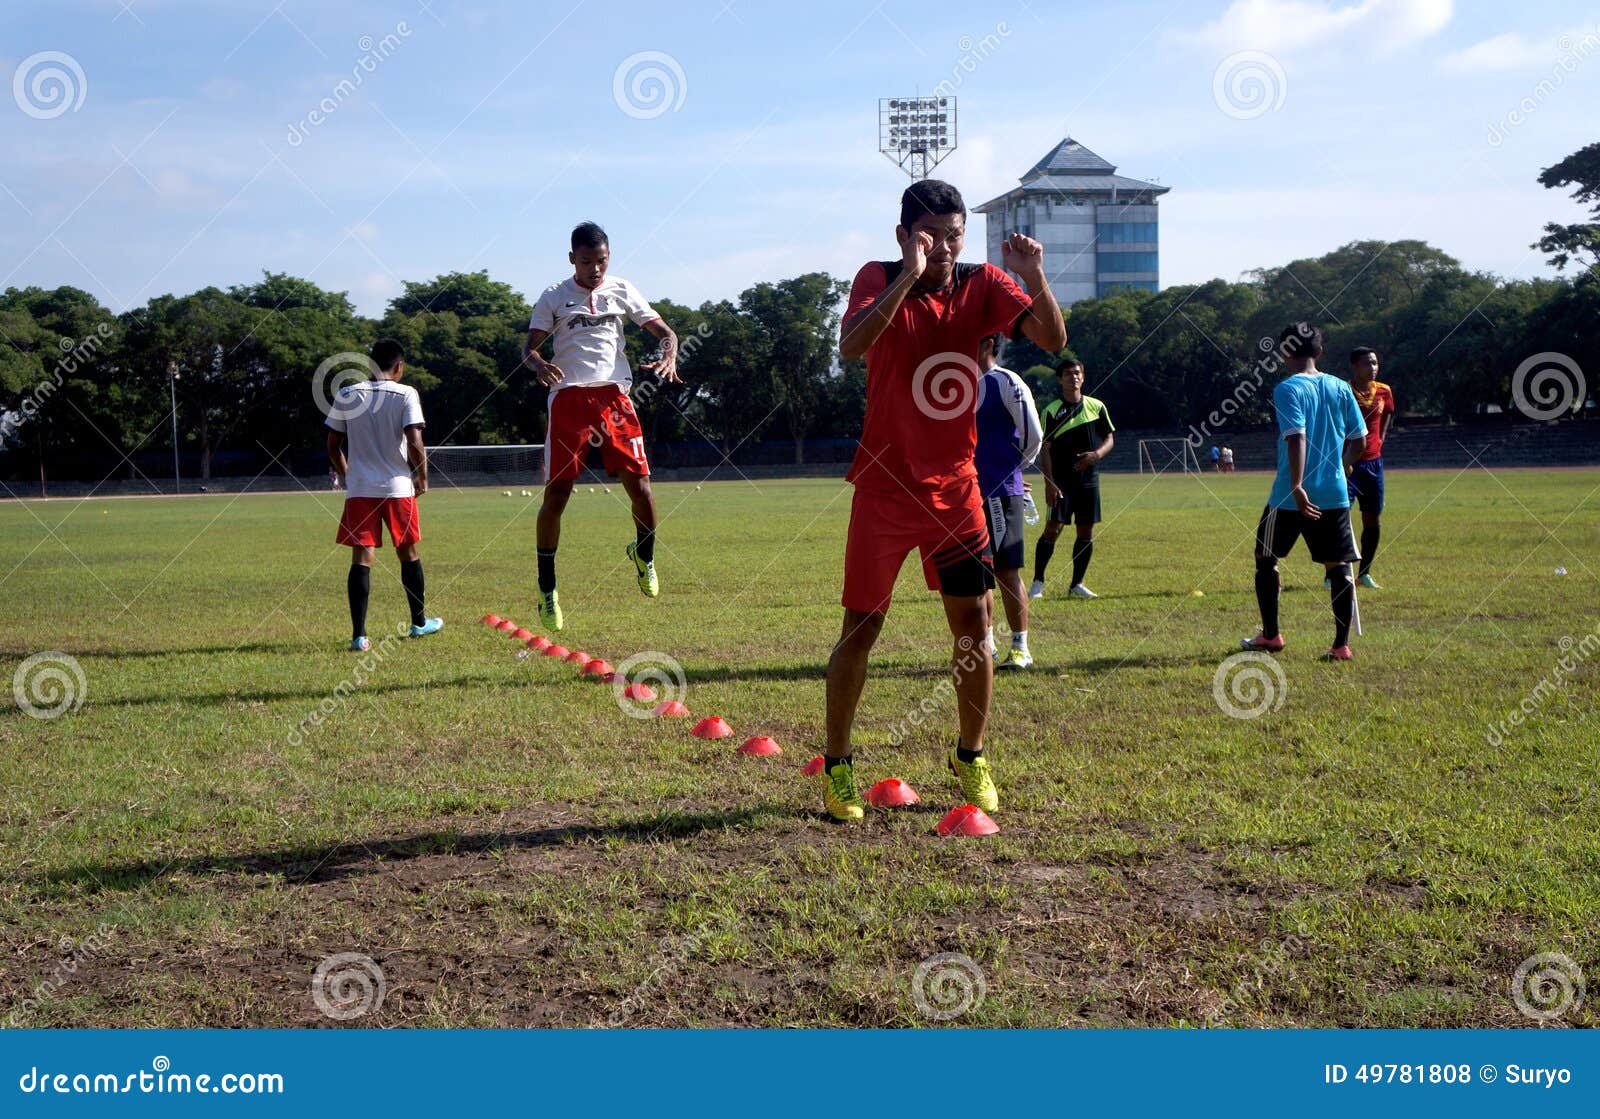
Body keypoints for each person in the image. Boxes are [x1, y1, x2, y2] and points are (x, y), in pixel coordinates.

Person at [822, 178, 1066, 821]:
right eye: (932, 236)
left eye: (955, 235)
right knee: (862, 627)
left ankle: (971, 754)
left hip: (956, 490)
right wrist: (909, 274)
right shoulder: (876, 277)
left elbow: (1051, 340)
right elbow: (851, 346)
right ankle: (839, 766)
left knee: (974, 628)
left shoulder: (983, 283)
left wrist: (1034, 275)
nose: (947, 248)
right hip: (883, 487)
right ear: (904, 234)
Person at [523, 222, 679, 631]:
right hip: (569, 398)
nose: (595, 269)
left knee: (641, 487)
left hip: (615, 398)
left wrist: (670, 354)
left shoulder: (622, 290)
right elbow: (529, 348)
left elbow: (665, 332)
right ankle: (547, 587)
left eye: (602, 261)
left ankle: (644, 556)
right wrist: (539, 364)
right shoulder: (554, 296)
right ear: (572, 257)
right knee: (557, 494)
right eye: (588, 261)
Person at [1242, 323, 1368, 661]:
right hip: (1334, 492)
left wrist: (1297, 484)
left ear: (1284, 353)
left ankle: (1271, 635)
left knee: (1265, 557)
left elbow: (1295, 436)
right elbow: (1360, 441)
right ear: (1320, 352)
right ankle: (1341, 646)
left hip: (1288, 494)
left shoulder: (1287, 389)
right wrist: (1341, 465)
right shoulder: (1341, 387)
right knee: (1338, 564)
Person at [325, 339, 442, 651]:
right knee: (408, 552)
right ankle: (419, 623)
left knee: (362, 557)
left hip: (361, 489)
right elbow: (414, 440)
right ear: (399, 367)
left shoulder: (347, 394)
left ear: (369, 366)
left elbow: (332, 445)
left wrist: (349, 473)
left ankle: (359, 636)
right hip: (398, 487)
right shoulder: (406, 393)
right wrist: (423, 476)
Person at [974, 332, 1043, 670]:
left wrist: (1011, 470)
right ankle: (987, 645)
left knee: (1006, 570)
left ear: (988, 343)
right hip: (965, 496)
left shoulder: (1005, 381)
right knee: (978, 574)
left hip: (1002, 493)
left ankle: (1020, 648)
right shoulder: (956, 386)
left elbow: (1033, 434)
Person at [1030, 358, 1114, 600]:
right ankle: (1037, 582)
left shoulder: (1096, 407)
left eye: (1077, 373)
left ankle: (1077, 584)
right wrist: (1049, 482)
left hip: (1089, 481)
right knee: (1052, 529)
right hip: (1061, 483)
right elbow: (1045, 449)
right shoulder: (1051, 410)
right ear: (1060, 379)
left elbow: (1109, 437)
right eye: (1068, 374)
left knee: (1085, 532)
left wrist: (1097, 454)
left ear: (1083, 377)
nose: (1073, 377)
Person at [1345, 347, 1394, 588]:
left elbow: (1388, 415)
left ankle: (1364, 573)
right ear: (1354, 367)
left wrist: (1381, 437)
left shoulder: (1384, 390)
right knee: (1339, 518)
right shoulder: (1344, 391)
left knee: (1372, 518)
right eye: (1367, 364)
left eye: (1375, 363)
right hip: (1348, 463)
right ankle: (1332, 573)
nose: (1372, 368)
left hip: (1374, 463)